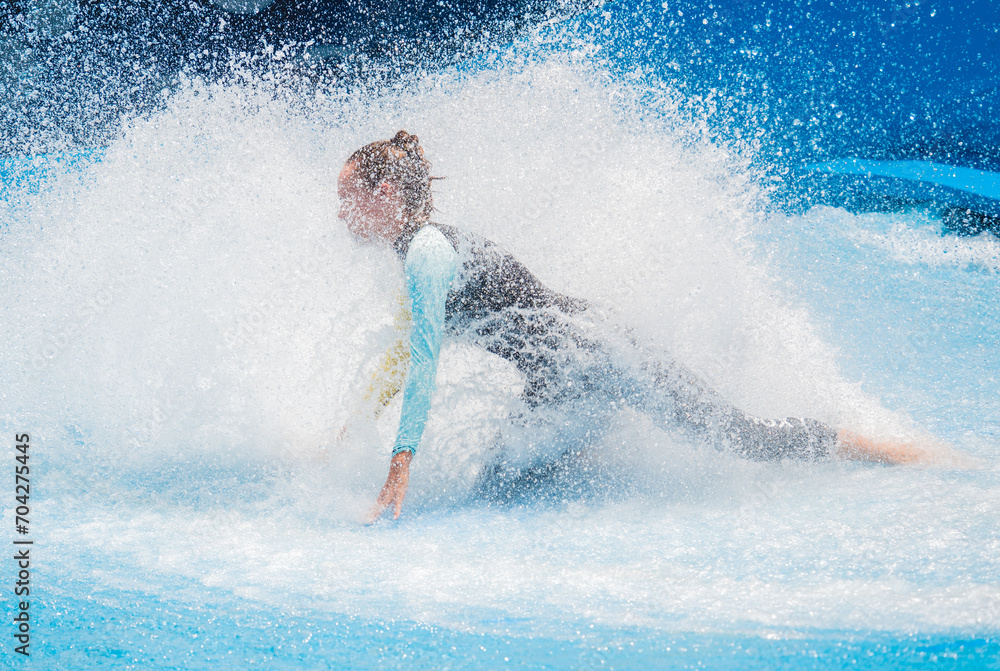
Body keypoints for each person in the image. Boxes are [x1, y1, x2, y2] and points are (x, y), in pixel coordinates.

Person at [337, 130, 942, 523]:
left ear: (384, 192)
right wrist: (345, 435)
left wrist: (400, 464)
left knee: (744, 438)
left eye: (346, 198)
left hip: (601, 355)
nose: (339, 215)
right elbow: (400, 357)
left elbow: (424, 361)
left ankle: (901, 455)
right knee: (499, 492)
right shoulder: (417, 254)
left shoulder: (426, 253)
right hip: (564, 374)